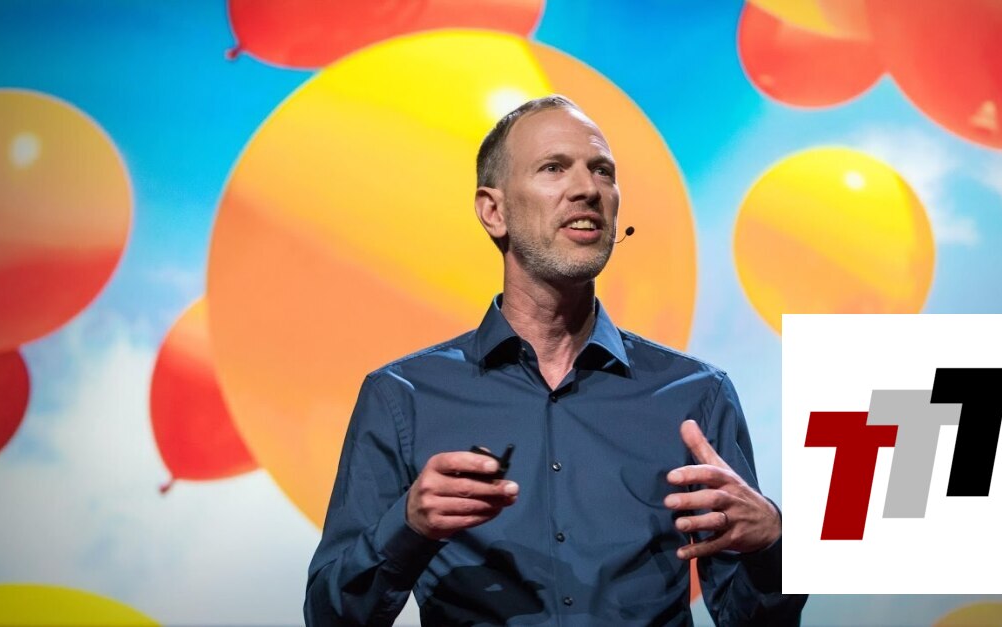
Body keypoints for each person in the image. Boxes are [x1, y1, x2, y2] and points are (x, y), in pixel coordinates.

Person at [304, 95, 806, 626]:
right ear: (493, 211)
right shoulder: (403, 396)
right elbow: (331, 617)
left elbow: (753, 620)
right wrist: (407, 528)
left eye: (602, 171)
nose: (588, 188)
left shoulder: (696, 395)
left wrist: (773, 541)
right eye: (553, 168)